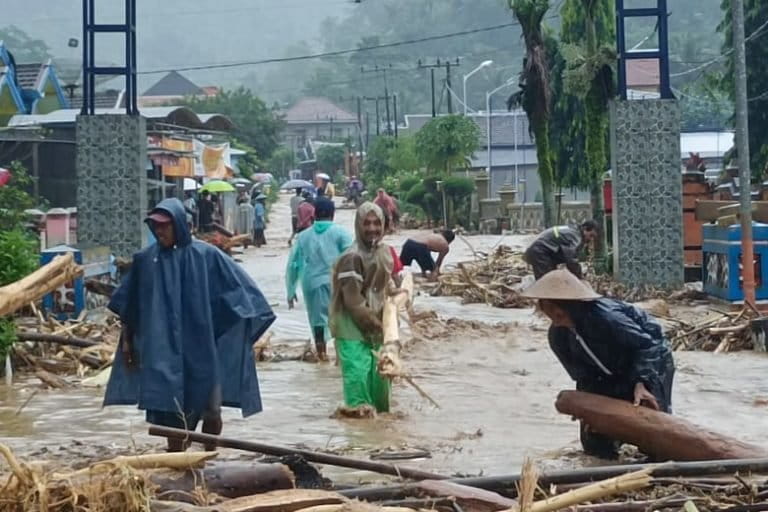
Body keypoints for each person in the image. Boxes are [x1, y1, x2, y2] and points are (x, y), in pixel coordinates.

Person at [104, 198, 276, 452]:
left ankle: (209, 455)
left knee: (211, 408)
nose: (159, 231)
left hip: (203, 348)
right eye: (155, 226)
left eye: (165, 226)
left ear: (178, 225)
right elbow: (130, 305)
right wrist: (128, 343)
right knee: (170, 409)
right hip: (163, 349)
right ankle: (177, 459)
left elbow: (241, 293)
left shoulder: (206, 255)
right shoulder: (146, 261)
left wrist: (230, 331)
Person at [522, 269, 675, 458]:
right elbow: (583, 377)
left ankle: (660, 464)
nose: (552, 314)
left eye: (556, 309)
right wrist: (587, 407)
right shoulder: (558, 336)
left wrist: (642, 382)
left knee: (654, 426)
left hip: (650, 361)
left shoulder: (607, 318)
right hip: (607, 376)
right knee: (594, 439)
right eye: (546, 308)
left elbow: (648, 346)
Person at [330, 202, 394, 417]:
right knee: (358, 379)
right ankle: (359, 439)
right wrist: (375, 325)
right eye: (366, 223)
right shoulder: (352, 257)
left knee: (381, 380)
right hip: (351, 327)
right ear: (358, 225)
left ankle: (381, 433)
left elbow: (386, 286)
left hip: (376, 323)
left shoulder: (384, 252)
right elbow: (353, 301)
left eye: (377, 223)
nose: (372, 228)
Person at [286, 198, 353, 361]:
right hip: (337, 283)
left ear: (314, 214)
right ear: (333, 214)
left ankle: (322, 355)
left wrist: (291, 290)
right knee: (340, 318)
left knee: (317, 321)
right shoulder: (342, 233)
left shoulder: (302, 237)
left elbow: (293, 264)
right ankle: (340, 358)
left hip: (311, 283)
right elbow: (352, 259)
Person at [523, 220, 599, 279]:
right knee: (546, 280)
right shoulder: (575, 236)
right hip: (540, 252)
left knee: (551, 278)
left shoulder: (572, 229)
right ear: (584, 229)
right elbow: (571, 259)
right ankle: (546, 298)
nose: (590, 239)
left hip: (541, 251)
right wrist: (579, 277)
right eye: (591, 235)